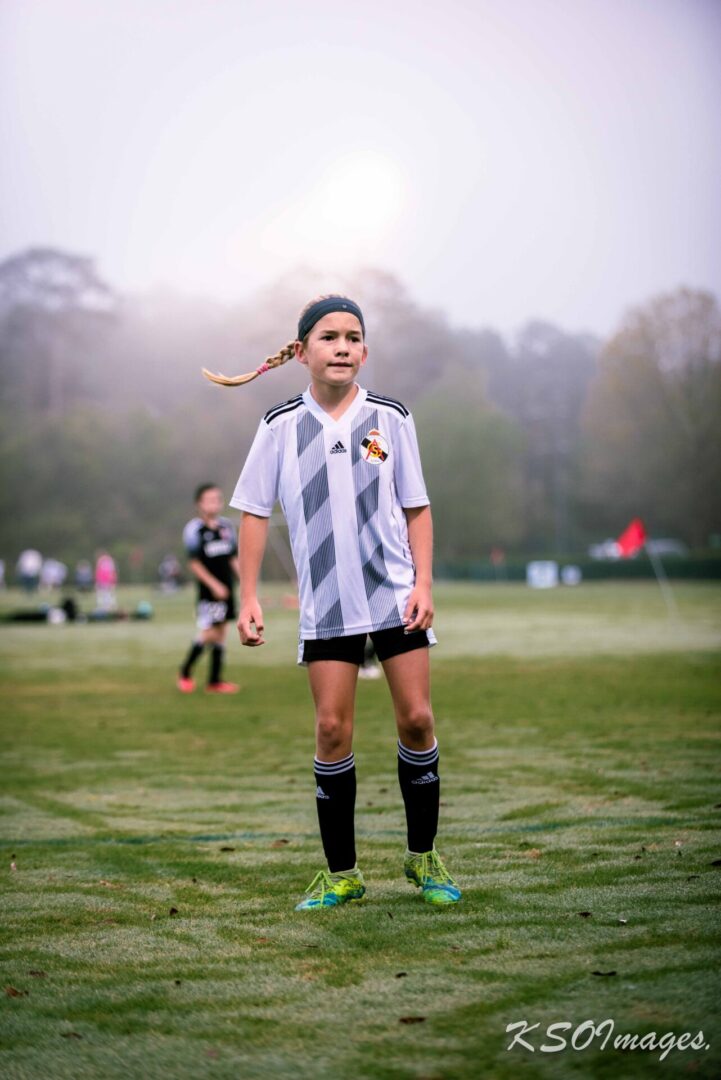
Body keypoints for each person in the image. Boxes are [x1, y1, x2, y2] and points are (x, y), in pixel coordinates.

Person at [204, 294, 461, 910]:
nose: (342, 346)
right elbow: (254, 515)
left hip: (394, 593)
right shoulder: (278, 427)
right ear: (301, 352)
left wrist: (424, 583)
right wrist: (248, 598)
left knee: (418, 720)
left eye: (352, 337)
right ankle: (341, 873)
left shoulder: (393, 419)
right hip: (326, 602)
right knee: (330, 729)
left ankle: (424, 859)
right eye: (328, 336)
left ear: (365, 351)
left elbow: (417, 507)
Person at [177, 484, 240, 694]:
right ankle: (185, 670)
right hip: (210, 592)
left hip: (227, 589)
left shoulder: (226, 527)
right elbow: (194, 563)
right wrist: (214, 585)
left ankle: (214, 681)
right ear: (199, 504)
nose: (215, 502)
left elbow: (233, 557)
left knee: (222, 632)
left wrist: (245, 581)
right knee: (211, 632)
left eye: (218, 498)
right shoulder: (194, 530)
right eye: (210, 499)